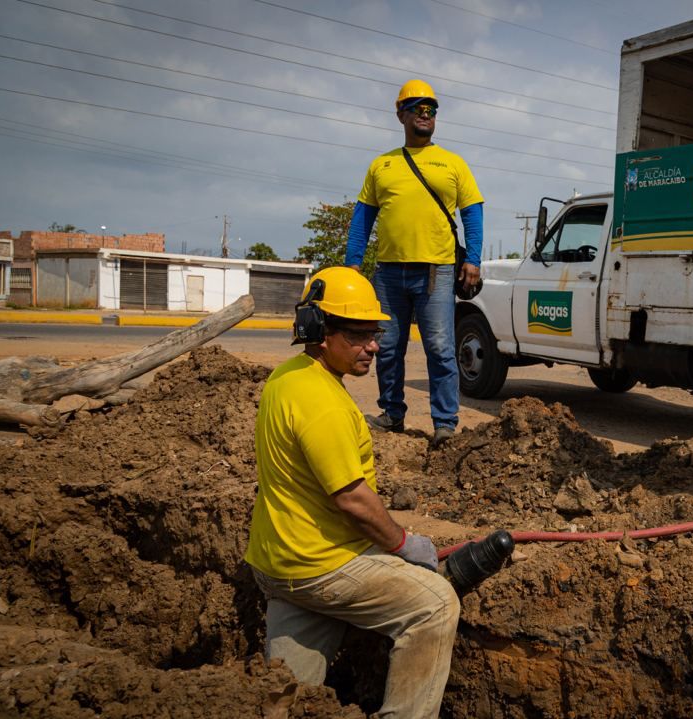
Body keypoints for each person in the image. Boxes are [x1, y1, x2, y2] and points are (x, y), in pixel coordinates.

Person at [245, 266, 460, 718]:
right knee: (436, 605)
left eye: (374, 334)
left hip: (280, 563)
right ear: (320, 332)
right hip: (321, 564)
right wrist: (403, 544)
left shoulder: (287, 377)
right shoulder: (323, 403)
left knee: (290, 697)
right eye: (358, 335)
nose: (373, 346)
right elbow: (352, 499)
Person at [345, 79, 485, 449]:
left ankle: (445, 423)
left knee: (440, 348)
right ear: (401, 114)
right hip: (389, 273)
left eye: (431, 109)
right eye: (417, 108)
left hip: (436, 272)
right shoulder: (382, 165)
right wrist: (352, 264)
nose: (425, 114)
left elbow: (472, 213)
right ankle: (392, 414)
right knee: (388, 347)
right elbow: (363, 217)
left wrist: (473, 259)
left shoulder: (452, 163)